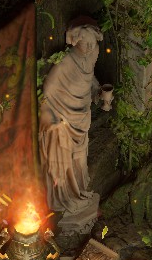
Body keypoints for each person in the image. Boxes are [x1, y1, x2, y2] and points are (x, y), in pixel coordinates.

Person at [38, 16, 113, 235]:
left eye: (92, 43)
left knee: (79, 158)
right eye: (85, 43)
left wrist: (99, 94)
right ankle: (66, 195)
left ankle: (78, 189)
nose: (89, 47)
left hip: (82, 116)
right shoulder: (65, 62)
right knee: (65, 159)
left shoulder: (91, 56)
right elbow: (48, 92)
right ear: (75, 41)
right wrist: (52, 119)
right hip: (64, 120)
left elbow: (89, 79)